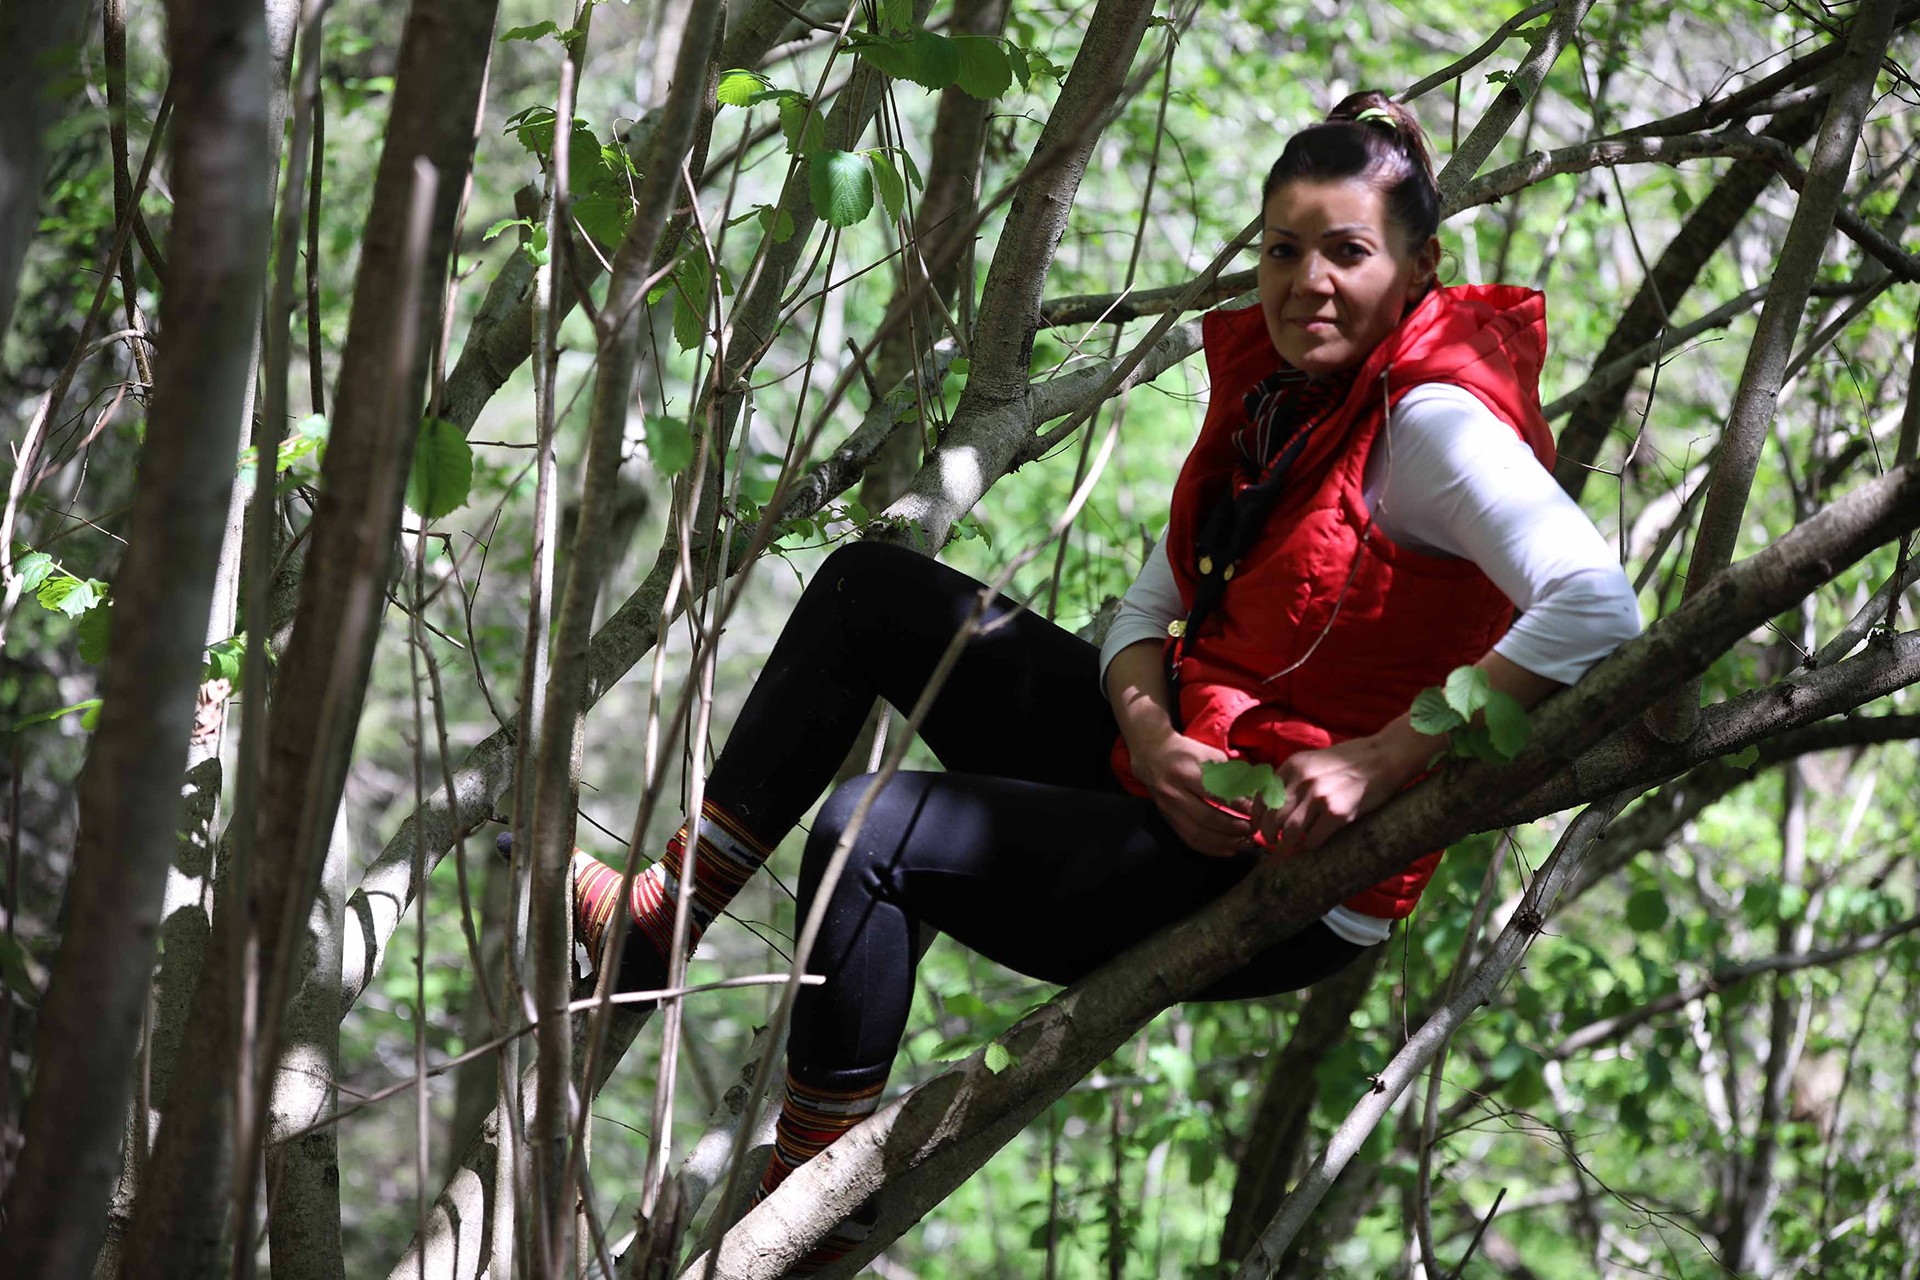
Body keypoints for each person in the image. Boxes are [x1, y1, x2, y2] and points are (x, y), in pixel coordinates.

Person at [560, 90, 1642, 1270]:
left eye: (1348, 252)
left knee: (872, 832)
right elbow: (1146, 611)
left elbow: (1597, 603)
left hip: (1292, 860)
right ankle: (668, 913)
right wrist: (1149, 723)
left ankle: (813, 1206)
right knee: (871, 586)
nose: (1306, 283)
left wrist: (1385, 759)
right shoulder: (1282, 402)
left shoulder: (1432, 421)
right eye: (1284, 250)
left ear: (1418, 266)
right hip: (1184, 760)